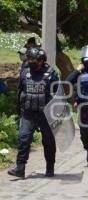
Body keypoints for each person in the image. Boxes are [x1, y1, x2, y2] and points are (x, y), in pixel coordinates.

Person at [8, 47, 59, 178]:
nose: (31, 61)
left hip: (45, 114)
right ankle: (20, 168)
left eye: (34, 59)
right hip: (28, 112)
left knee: (48, 141)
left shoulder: (51, 73)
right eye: (29, 59)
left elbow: (58, 95)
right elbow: (20, 93)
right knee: (23, 138)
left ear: (41, 61)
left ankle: (50, 167)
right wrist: (18, 112)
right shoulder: (25, 73)